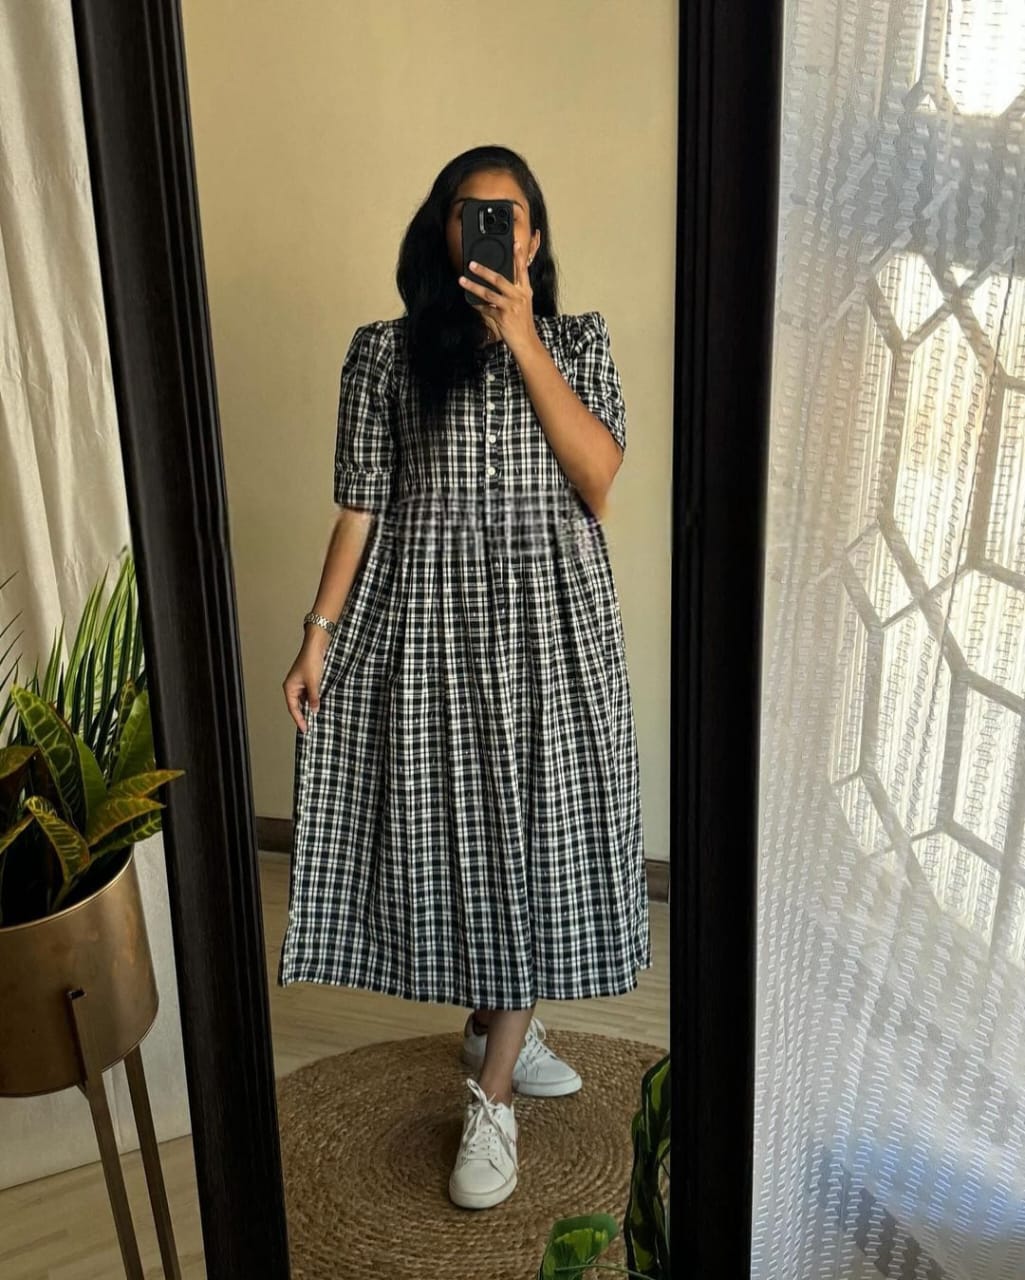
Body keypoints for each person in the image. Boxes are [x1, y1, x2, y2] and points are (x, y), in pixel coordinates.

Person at [279, 144, 650, 1212]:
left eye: (510, 214)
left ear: (533, 238)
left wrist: (522, 335)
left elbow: (597, 480)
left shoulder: (576, 340)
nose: (490, 227)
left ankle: (493, 1087)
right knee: (460, 831)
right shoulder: (383, 354)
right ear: (442, 231)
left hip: (551, 627)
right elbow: (360, 504)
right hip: (430, 623)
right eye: (468, 211)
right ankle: (496, 1022)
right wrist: (317, 635)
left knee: (534, 835)